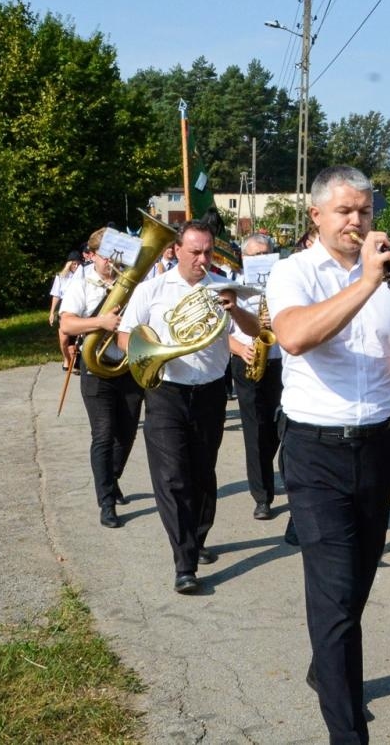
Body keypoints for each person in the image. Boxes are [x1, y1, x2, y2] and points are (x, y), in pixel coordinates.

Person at [266, 165, 390, 745]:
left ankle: (327, 667)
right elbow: (293, 336)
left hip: (377, 446)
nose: (357, 221)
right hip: (315, 451)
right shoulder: (295, 274)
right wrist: (364, 282)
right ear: (316, 216)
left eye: (365, 211)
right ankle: (347, 733)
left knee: (357, 585)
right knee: (336, 595)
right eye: (344, 211)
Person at [117, 219, 238, 595]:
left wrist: (236, 312)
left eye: (208, 252)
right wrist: (148, 353)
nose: (202, 259)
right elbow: (126, 335)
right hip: (166, 392)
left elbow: (243, 333)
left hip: (210, 392)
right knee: (172, 478)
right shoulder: (151, 289)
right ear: (177, 251)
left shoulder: (223, 289)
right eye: (195, 252)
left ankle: (198, 537)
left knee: (202, 473)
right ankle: (183, 562)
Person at [58, 229, 142, 529]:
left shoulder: (133, 283)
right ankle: (106, 501)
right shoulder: (81, 282)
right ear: (93, 255)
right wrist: (101, 322)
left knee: (128, 433)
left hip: (128, 368)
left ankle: (112, 477)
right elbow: (67, 323)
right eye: (108, 257)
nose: (113, 263)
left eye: (117, 256)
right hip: (96, 371)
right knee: (103, 435)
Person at [227, 231, 282, 521]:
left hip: (281, 363)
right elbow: (220, 334)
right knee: (255, 431)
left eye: (265, 254)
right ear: (244, 258)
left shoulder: (285, 284)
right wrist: (239, 348)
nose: (260, 260)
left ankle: (274, 474)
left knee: (279, 429)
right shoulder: (231, 286)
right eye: (254, 255)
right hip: (248, 361)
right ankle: (262, 496)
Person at [49, 251, 83, 370]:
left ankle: (76, 360)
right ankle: (66, 358)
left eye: (78, 264)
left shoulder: (82, 276)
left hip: (78, 308)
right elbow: (56, 295)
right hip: (65, 309)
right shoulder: (61, 277)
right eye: (74, 264)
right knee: (64, 339)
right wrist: (52, 312)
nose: (76, 266)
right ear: (69, 264)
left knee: (77, 338)